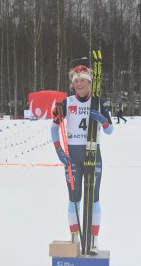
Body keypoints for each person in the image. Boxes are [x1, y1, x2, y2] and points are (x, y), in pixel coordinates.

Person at [50, 65, 113, 254]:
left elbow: (110, 130)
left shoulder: (98, 102)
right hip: (72, 156)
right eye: (76, 81)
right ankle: (74, 237)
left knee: (93, 198)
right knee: (74, 198)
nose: (79, 84)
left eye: (83, 80)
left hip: (93, 154)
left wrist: (102, 119)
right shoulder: (66, 102)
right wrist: (58, 149)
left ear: (89, 82)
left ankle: (93, 240)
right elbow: (54, 128)